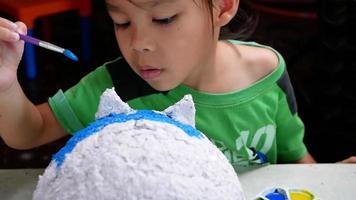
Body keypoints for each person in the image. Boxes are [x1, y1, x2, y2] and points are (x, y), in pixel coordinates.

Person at [0, 0, 354, 165]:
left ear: (222, 7)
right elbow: (27, 133)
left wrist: (331, 180)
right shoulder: (116, 87)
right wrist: (4, 85)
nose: (139, 42)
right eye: (122, 22)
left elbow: (295, 159)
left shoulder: (266, 71)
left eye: (164, 18)